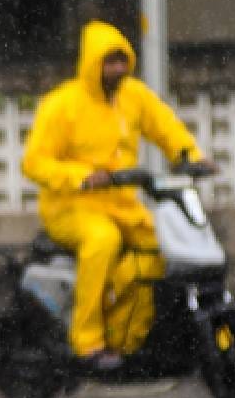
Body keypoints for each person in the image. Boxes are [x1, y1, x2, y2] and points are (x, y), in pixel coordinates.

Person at [22, 20, 213, 369]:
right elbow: (34, 163)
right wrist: (81, 177)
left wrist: (190, 157)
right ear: (93, 63)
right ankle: (87, 341)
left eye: (122, 60)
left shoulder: (134, 96)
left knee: (164, 247)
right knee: (103, 241)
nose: (118, 69)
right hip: (70, 207)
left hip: (122, 204)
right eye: (110, 62)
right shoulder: (62, 104)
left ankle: (128, 337)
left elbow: (166, 127)